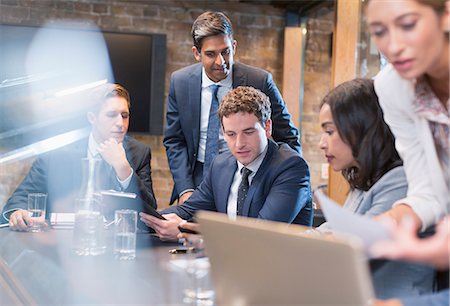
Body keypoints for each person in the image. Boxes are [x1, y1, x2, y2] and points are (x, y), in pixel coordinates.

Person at [164, 11, 301, 205]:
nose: (221, 61)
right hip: (197, 180)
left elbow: (288, 137)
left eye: (226, 51)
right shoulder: (180, 82)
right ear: (197, 53)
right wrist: (185, 189)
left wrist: (291, 186)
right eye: (211, 54)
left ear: (234, 46)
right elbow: (174, 140)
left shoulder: (259, 81)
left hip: (250, 179)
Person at [141, 86, 312, 240]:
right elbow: (186, 211)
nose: (239, 144)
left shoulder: (291, 168)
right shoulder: (221, 165)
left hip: (277, 270)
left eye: (248, 132)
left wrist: (184, 230)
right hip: (228, 265)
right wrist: (147, 220)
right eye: (231, 134)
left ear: (267, 127)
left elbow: (261, 234)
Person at [363, 0, 449, 305]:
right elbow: (429, 190)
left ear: (446, 14)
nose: (393, 46)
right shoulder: (391, 87)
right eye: (379, 31)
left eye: (408, 25)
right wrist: (388, 222)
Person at [317, 78, 434, 299]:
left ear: (361, 128)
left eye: (330, 131)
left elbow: (352, 243)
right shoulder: (363, 182)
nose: (322, 143)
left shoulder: (400, 181)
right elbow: (334, 227)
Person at [2, 83, 157, 231]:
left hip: (116, 245)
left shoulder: (139, 153)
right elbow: (20, 198)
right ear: (92, 118)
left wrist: (123, 168)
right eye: (111, 115)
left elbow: (151, 216)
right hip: (59, 243)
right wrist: (18, 213)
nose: (120, 123)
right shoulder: (57, 152)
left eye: (124, 115)